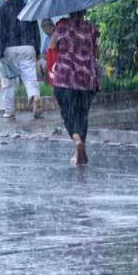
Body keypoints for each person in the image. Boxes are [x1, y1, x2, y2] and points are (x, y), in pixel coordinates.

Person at [49, 10, 100, 166]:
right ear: (84, 11)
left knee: (68, 113)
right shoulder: (92, 28)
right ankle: (80, 151)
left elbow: (51, 47)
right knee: (82, 114)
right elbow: (96, 52)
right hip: (87, 79)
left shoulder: (61, 26)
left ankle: (76, 140)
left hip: (65, 79)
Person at [0, 0, 42, 119]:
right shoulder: (28, 8)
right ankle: (34, 97)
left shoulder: (1, 10)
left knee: (8, 81)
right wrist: (37, 50)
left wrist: (0, 53)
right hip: (28, 47)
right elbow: (35, 30)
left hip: (9, 48)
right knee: (30, 78)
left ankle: (9, 111)